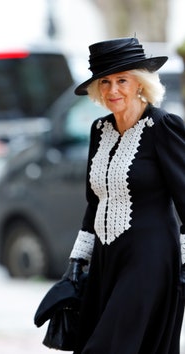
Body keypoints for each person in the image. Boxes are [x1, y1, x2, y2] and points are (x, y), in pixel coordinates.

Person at [65, 37, 185, 353]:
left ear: (140, 84)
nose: (112, 90)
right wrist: (79, 258)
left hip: (151, 258)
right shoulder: (99, 130)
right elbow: (94, 202)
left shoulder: (164, 126)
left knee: (110, 346)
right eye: (105, 82)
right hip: (106, 260)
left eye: (122, 80)